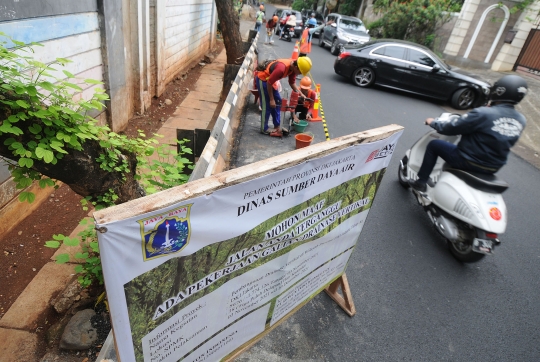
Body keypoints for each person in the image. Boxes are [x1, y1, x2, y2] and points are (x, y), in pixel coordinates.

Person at [408, 75, 528, 193]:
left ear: (499, 91)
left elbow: (452, 127)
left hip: (468, 161)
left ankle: (421, 182)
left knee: (434, 145)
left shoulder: (484, 113)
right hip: (494, 167)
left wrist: (433, 123)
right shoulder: (521, 119)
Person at [256, 57, 313, 136]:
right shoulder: (281, 69)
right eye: (300, 72)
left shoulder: (293, 69)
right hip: (263, 80)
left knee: (278, 103)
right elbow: (269, 83)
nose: (299, 74)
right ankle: (264, 128)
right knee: (267, 104)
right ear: (296, 67)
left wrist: (301, 94)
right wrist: (271, 99)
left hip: (271, 81)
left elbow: (292, 83)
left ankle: (277, 126)